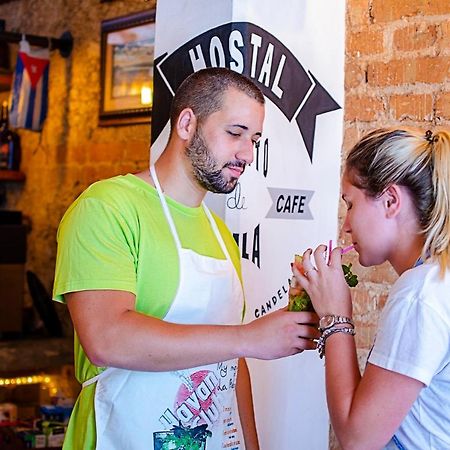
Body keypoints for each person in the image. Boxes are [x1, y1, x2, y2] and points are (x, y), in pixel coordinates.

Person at [53, 67, 319, 450]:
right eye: (235, 133)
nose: (247, 154)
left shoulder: (220, 234)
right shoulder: (106, 208)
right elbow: (106, 339)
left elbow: (232, 363)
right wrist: (248, 337)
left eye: (255, 140)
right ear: (187, 124)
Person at [291, 127, 450, 449]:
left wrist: (336, 316)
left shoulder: (419, 294)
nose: (346, 224)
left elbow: (356, 437)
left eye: (350, 204)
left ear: (391, 200)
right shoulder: (435, 280)